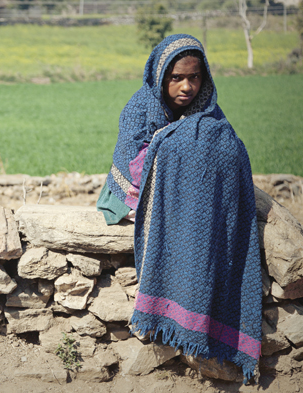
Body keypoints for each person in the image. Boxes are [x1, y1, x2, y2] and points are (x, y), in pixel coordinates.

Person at [97, 34, 262, 381]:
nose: (186, 87)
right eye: (177, 78)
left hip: (179, 198)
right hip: (131, 195)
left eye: (195, 77)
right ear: (160, 76)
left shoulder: (206, 112)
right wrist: (173, 144)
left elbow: (226, 152)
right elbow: (136, 167)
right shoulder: (140, 109)